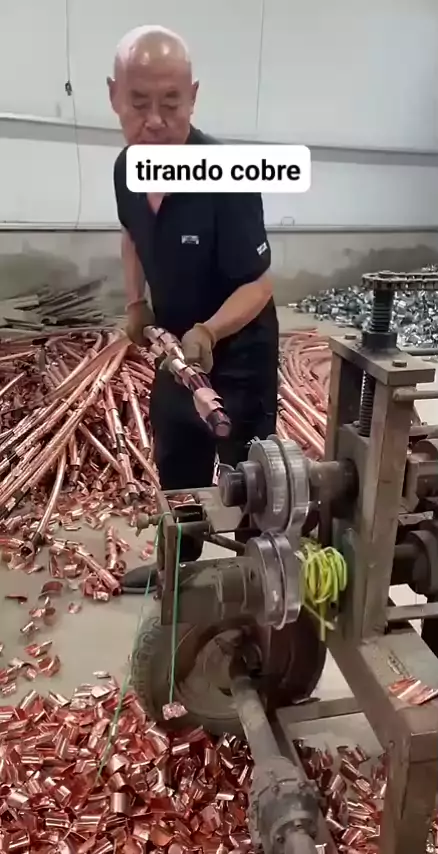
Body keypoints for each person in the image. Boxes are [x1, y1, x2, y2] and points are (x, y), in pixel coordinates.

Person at [108, 25, 279, 592]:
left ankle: (256, 577)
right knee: (177, 460)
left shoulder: (227, 176)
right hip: (175, 351)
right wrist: (136, 302)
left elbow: (260, 286)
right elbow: (131, 234)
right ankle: (176, 568)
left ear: (194, 96)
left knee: (251, 476)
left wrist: (209, 331)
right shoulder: (126, 168)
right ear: (114, 96)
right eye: (139, 103)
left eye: (171, 103)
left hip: (238, 351)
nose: (154, 120)